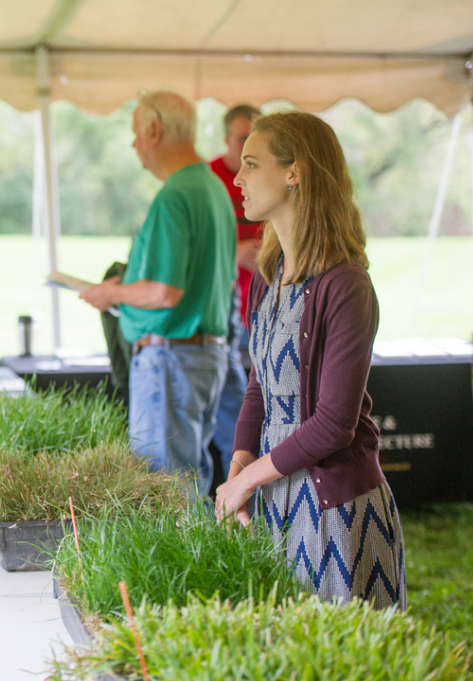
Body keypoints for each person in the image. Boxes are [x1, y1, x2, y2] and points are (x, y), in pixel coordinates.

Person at [214, 111, 405, 610]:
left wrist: (248, 480)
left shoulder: (346, 285)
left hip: (336, 512)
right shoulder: (267, 273)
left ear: (294, 172)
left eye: (252, 164)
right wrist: (239, 467)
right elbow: (260, 386)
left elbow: (333, 426)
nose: (238, 177)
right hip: (276, 499)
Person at [80, 90, 236, 495]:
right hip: (204, 354)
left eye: (135, 133)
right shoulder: (213, 187)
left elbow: (164, 292)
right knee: (188, 485)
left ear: (153, 130)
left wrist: (110, 295)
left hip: (170, 357)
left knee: (164, 493)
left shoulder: (175, 195)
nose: (134, 145)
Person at [208, 104, 263, 482]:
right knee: (236, 408)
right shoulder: (208, 180)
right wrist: (234, 254)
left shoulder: (272, 175)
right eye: (243, 138)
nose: (248, 147)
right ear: (227, 138)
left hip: (263, 304)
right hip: (225, 310)